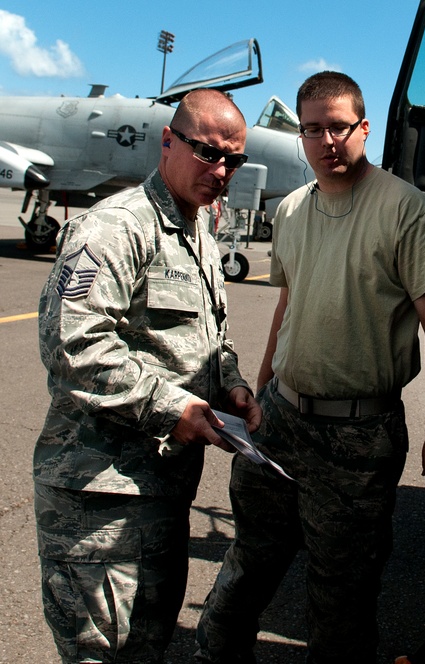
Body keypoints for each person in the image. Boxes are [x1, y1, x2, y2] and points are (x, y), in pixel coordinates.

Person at [195, 71, 425, 663]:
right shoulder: (292, 210)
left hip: (358, 438)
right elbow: (287, 305)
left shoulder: (404, 210)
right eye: (313, 129)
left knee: (340, 597)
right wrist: (263, 390)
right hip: (282, 419)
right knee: (248, 567)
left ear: (363, 128)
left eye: (339, 127)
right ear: (301, 135)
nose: (327, 141)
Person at [34, 88, 263, 663]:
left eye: (233, 159)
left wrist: (229, 384)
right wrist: (171, 408)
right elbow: (71, 344)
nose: (222, 171)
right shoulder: (116, 227)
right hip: (100, 502)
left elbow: (209, 338)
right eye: (208, 153)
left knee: (148, 650)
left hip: (162, 494)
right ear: (168, 142)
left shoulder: (200, 236)